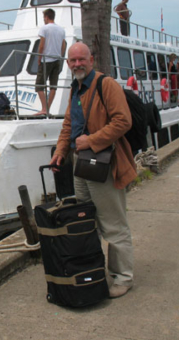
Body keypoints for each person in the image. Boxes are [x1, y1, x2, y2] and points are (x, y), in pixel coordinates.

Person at [50, 42, 137, 299]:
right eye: (73, 60)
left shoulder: (106, 85)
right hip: (81, 164)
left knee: (113, 223)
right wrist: (60, 151)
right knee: (87, 221)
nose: (77, 64)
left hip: (104, 164)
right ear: (68, 63)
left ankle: (123, 277)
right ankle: (95, 269)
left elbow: (123, 120)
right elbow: (69, 123)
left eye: (81, 59)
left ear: (92, 59)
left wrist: (92, 140)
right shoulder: (75, 88)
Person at [35, 8, 66, 115]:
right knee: (53, 86)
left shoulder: (44, 28)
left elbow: (41, 45)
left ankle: (44, 108)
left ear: (47, 17)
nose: (44, 19)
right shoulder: (61, 30)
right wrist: (60, 56)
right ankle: (48, 108)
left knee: (39, 85)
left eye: (44, 17)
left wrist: (39, 58)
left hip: (46, 60)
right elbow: (63, 46)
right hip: (57, 60)